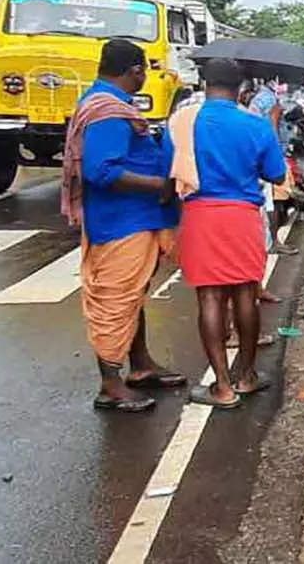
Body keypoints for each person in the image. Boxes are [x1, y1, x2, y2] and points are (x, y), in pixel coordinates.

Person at [61, 39, 184, 411]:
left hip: (132, 218)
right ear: (135, 70)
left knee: (132, 297)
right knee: (115, 300)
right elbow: (102, 170)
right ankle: (111, 385)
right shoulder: (109, 112)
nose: (145, 76)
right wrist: (160, 185)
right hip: (121, 222)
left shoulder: (108, 105)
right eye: (144, 70)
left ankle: (141, 365)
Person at [170, 59, 287, 408]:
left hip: (200, 215)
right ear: (242, 88)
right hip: (242, 217)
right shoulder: (255, 124)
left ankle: (221, 386)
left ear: (205, 83)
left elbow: (168, 169)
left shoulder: (182, 122)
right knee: (246, 296)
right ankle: (247, 376)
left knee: (210, 298)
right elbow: (277, 175)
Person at [247, 77, 297, 255]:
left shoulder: (258, 99)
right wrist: (275, 156)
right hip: (269, 154)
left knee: (268, 199)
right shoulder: (270, 100)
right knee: (276, 199)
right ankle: (274, 241)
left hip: (255, 151)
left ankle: (265, 238)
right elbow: (273, 129)